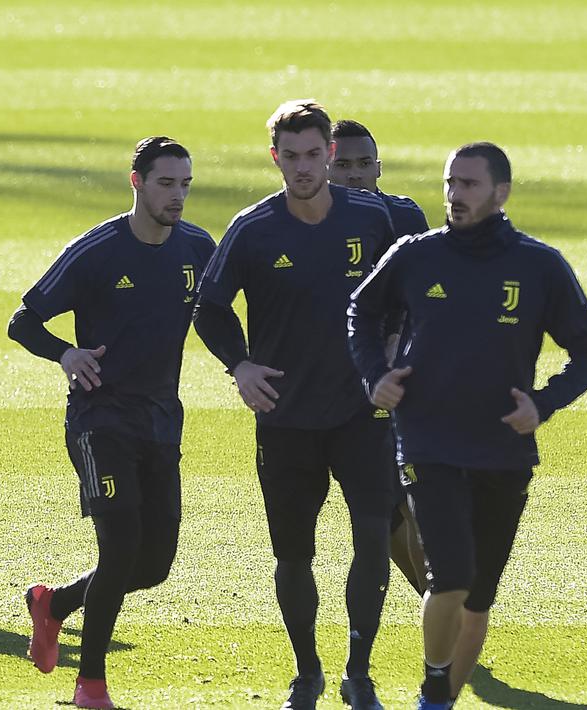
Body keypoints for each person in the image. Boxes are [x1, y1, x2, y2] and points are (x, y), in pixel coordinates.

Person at [347, 142, 587, 709]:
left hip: (503, 450)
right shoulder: (415, 255)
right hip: (427, 440)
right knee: (451, 576)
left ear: (501, 193)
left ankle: (438, 699)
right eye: (449, 183)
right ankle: (435, 685)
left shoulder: (538, 266)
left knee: (477, 600)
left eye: (467, 184)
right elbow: (360, 313)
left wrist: (544, 403)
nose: (453, 195)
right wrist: (376, 376)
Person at [193, 100, 397, 710]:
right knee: (293, 554)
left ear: (330, 155)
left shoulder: (373, 218)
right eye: (292, 156)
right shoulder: (253, 228)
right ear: (274, 157)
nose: (303, 167)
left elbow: (409, 292)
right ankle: (307, 672)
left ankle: (358, 673)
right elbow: (208, 306)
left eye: (314, 154)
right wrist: (240, 366)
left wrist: (393, 345)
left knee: (373, 541)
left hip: (363, 415)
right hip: (284, 419)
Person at [8, 137, 214, 710]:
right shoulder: (99, 251)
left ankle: (54, 606)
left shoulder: (198, 248)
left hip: (160, 423)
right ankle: (90, 684)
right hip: (99, 420)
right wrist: (65, 355)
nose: (178, 196)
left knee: (153, 565)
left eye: (185, 184)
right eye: (166, 183)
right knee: (121, 543)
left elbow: (218, 310)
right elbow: (23, 320)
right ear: (137, 183)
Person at [330, 118, 430, 596]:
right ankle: (439, 607)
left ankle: (444, 608)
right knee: (385, 515)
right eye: (342, 164)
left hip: (400, 384)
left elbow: (430, 294)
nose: (354, 174)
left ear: (378, 167)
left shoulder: (406, 218)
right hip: (332, 391)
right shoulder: (299, 225)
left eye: (364, 164)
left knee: (418, 501)